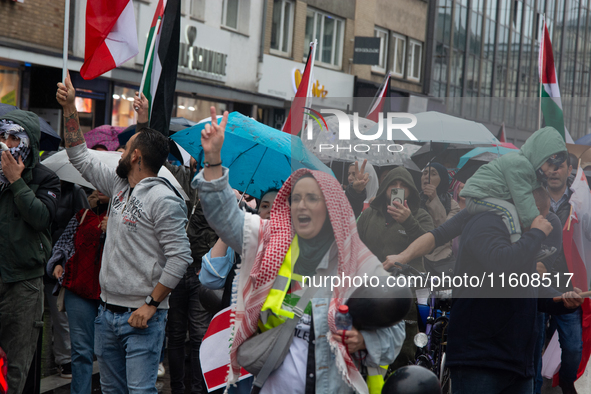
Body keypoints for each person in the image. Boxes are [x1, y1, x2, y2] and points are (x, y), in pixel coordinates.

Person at [193, 108, 405, 393]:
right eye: (296, 199)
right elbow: (226, 219)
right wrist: (214, 160)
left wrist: (365, 340)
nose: (301, 206)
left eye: (312, 199)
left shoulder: (358, 263)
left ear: (330, 210)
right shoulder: (272, 241)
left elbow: (395, 326)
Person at [57, 73, 192, 393]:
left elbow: (180, 256)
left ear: (135, 156)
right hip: (107, 314)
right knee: (111, 390)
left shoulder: (163, 198)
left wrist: (150, 304)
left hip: (142, 320)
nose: (118, 152)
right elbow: (79, 155)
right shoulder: (118, 185)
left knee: (140, 391)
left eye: (125, 148)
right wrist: (70, 109)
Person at [0, 111, 61, 394]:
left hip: (24, 283)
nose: (7, 143)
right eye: (2, 136)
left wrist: (17, 182)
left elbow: (40, 218)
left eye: (14, 137)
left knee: (17, 366)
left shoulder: (45, 178)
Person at [356, 166, 434, 370]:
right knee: (368, 348)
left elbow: (428, 243)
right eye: (393, 184)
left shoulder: (421, 215)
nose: (397, 189)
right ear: (384, 188)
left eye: (403, 186)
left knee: (403, 351)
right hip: (369, 291)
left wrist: (408, 222)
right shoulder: (368, 215)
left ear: (410, 191)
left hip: (405, 293)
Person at [47, 189, 108, 394]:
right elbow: (63, 244)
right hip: (78, 291)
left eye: (105, 185)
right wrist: (58, 262)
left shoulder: (126, 219)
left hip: (110, 295)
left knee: (108, 352)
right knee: (81, 351)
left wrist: (116, 230)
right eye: (97, 185)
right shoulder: (82, 215)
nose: (99, 189)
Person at [460, 126, 567, 243]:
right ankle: (516, 242)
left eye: (555, 167)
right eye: (549, 164)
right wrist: (536, 224)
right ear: (539, 156)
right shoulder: (520, 164)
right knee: (509, 210)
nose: (551, 171)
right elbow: (523, 198)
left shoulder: (529, 171)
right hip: (478, 194)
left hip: (488, 195)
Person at [540, 155, 583, 394]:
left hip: (569, 286)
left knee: (573, 346)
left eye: (559, 167)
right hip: (537, 283)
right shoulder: (533, 198)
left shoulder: (581, 202)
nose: (554, 171)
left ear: (569, 170)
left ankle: (566, 382)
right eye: (550, 167)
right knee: (534, 344)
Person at [419, 163, 460, 270]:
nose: (427, 177)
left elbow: (444, 231)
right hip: (417, 261)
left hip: (440, 263)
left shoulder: (452, 205)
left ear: (442, 179)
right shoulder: (414, 201)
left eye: (433, 174)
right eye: (425, 173)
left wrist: (434, 200)